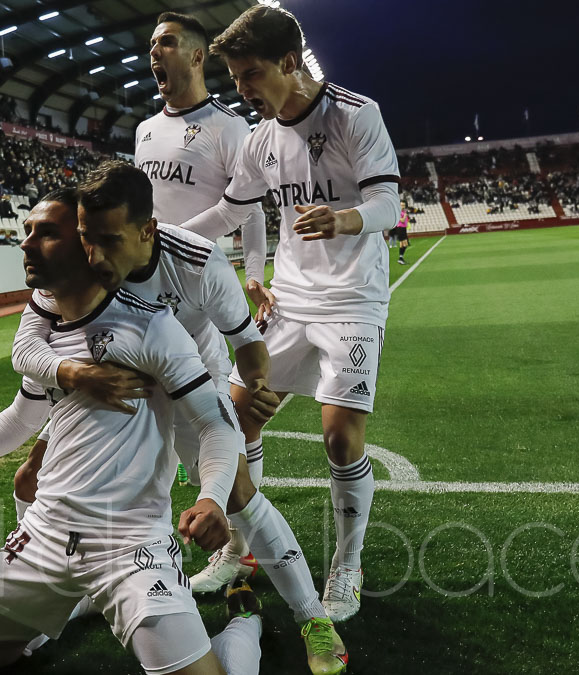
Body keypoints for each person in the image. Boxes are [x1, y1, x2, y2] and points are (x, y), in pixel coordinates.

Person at [0, 189, 259, 675]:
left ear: (87, 246)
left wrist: (212, 497)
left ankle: (244, 626)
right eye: (27, 232)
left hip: (130, 542)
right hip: (44, 531)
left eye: (46, 233)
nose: (27, 244)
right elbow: (23, 416)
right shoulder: (47, 332)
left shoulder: (152, 327)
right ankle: (82, 600)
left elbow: (217, 426)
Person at [11, 163, 347, 675]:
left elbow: (248, 344)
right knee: (42, 478)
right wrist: (70, 376)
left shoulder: (198, 261)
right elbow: (27, 343)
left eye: (108, 239)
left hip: (193, 385)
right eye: (85, 237)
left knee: (237, 496)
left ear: (147, 230)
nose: (94, 255)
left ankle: (315, 620)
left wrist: (255, 388)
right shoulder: (77, 257)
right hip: (112, 390)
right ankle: (65, 595)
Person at [182, 5, 402, 624]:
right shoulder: (260, 140)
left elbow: (389, 201)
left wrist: (344, 218)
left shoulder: (358, 115)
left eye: (250, 75)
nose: (242, 91)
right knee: (234, 418)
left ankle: (347, 565)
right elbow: (228, 213)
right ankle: (239, 549)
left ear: (288, 63)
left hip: (354, 299)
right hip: (291, 298)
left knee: (339, 436)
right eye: (235, 80)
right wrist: (159, 237)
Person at [136, 10, 272, 582]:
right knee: (148, 432)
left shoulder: (229, 128)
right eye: (151, 45)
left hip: (198, 297)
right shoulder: (145, 131)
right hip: (145, 300)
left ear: (196, 56)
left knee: (218, 429)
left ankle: (240, 547)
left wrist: (255, 271)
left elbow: (252, 205)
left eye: (165, 43)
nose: (154, 53)